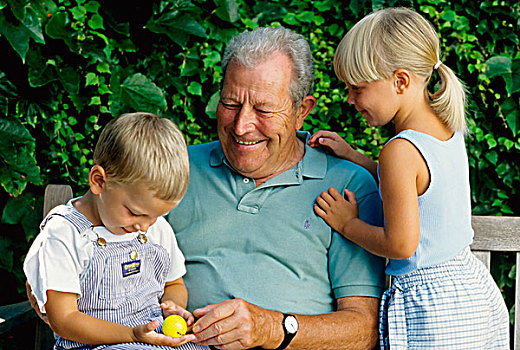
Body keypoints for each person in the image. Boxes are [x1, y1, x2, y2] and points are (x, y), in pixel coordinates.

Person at [167, 26, 386, 349]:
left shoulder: (347, 187)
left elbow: (365, 329)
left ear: (302, 111)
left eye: (263, 109)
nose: (241, 126)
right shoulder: (174, 169)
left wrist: (272, 328)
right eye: (230, 103)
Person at [308, 7, 509, 349]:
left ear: (400, 81)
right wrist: (355, 157)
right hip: (473, 294)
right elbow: (416, 187)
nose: (349, 99)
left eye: (357, 88)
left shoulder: (399, 151)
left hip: (436, 314)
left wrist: (347, 224)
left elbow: (401, 245)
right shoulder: (446, 126)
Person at [23, 113, 208, 349]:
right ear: (99, 181)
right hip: (93, 345)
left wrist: (173, 307)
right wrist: (131, 335)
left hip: (154, 338)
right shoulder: (64, 235)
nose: (145, 226)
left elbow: (174, 284)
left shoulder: (155, 228)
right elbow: (64, 319)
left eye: (156, 216)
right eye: (134, 212)